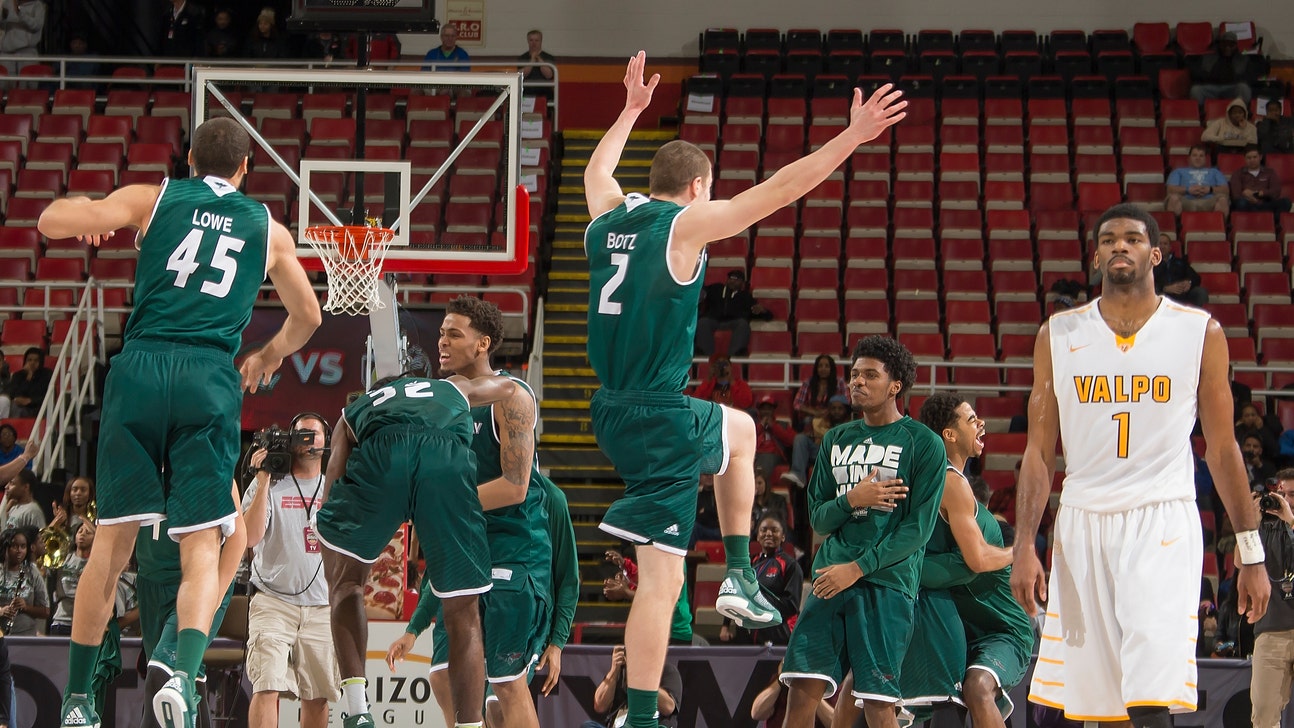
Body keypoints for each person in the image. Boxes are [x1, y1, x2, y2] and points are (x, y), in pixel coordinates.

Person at [584, 54, 904, 728]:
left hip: (610, 410)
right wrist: (853, 137)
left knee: (740, 431)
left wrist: (631, 111)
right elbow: (780, 190)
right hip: (658, 416)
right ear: (698, 186)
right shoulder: (684, 225)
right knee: (664, 579)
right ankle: (645, 711)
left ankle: (737, 576)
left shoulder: (605, 219)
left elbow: (598, 171)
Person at [42, 115, 322, 728]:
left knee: (111, 548)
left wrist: (95, 218)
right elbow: (308, 315)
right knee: (206, 544)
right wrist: (266, 357)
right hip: (208, 375)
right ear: (246, 168)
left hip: (140, 367)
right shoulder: (268, 229)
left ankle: (78, 700)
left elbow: (50, 221)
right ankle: (182, 676)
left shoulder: (152, 197)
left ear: (188, 159)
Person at [1010, 203, 1271, 728]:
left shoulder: (1199, 331)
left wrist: (1251, 552)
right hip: (1083, 521)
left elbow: (1222, 450)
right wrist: (1023, 547)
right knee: (1098, 706)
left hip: (1163, 520)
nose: (1119, 247)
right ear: (1096, 255)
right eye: (1108, 240)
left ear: (1155, 254)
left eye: (1132, 239)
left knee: (1150, 691)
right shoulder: (1057, 335)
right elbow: (1038, 453)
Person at [315, 372, 519, 728]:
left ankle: (357, 710)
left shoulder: (358, 406)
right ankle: (470, 725)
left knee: (346, 586)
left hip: (382, 455)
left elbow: (333, 475)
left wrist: (333, 533)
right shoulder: (453, 387)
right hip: (444, 458)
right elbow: (509, 388)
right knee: (463, 611)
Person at [389, 297, 548, 728]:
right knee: (449, 681)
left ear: (483, 345)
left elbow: (515, 488)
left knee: (507, 684)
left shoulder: (512, 396)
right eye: (441, 332)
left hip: (514, 555)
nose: (441, 342)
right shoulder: (443, 406)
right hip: (464, 555)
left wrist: (444, 504)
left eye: (453, 334)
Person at [780, 335, 946, 728]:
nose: (857, 382)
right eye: (854, 374)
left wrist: (857, 568)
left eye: (870, 375)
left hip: (885, 584)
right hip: (828, 579)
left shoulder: (923, 443)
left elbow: (917, 531)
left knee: (877, 703)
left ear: (896, 386)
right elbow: (818, 520)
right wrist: (853, 498)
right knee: (801, 693)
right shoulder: (836, 439)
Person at [915, 393, 1033, 728]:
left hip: (1003, 626)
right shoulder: (936, 479)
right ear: (949, 435)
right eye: (971, 419)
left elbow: (977, 559)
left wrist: (1019, 552)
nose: (981, 423)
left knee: (978, 689)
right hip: (961, 623)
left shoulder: (953, 484)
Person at [242, 414, 339, 728]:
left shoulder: (336, 488)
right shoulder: (270, 484)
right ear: (290, 439)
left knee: (318, 694)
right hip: (273, 601)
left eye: (315, 433)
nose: (309, 439)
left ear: (327, 440)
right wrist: (262, 479)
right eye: (301, 433)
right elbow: (250, 537)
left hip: (323, 604)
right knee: (266, 684)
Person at [136, 483, 248, 728]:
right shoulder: (143, 456)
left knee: (162, 673)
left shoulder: (205, 454)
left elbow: (239, 536)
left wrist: (214, 595)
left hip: (198, 580)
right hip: (150, 584)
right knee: (187, 679)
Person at [1249, 468, 1294, 727]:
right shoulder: (1262, 529)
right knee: (1264, 716)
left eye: (1292, 495)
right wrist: (1249, 526)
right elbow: (1239, 563)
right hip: (1271, 630)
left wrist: (1290, 521)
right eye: (1281, 494)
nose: (1285, 500)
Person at [720, 515, 802, 645]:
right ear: (758, 536)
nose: (768, 534)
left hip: (777, 633)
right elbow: (735, 591)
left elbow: (791, 605)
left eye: (774, 530)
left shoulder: (790, 565)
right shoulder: (750, 563)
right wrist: (725, 626)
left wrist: (758, 600)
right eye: (763, 530)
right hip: (747, 632)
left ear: (783, 536)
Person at [582, 645, 682, 728]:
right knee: (588, 726)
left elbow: (668, 707)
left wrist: (641, 676)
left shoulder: (667, 671)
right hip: (620, 724)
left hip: (649, 725)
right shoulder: (620, 672)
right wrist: (614, 671)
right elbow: (600, 706)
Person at [694, 270, 772, 357]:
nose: (733, 281)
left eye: (737, 279)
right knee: (703, 322)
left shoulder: (745, 296)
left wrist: (763, 311)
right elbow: (700, 291)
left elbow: (763, 314)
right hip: (713, 319)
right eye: (731, 278)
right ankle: (705, 357)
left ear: (742, 283)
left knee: (743, 324)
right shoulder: (716, 288)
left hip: (734, 321)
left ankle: (734, 357)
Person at [1188, 31, 1260, 105]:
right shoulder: (1208, 57)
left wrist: (1235, 78)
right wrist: (1209, 76)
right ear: (1220, 45)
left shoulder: (1243, 59)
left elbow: (1250, 77)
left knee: (1244, 88)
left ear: (1235, 45)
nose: (1227, 47)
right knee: (1195, 90)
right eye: (1224, 44)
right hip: (1211, 87)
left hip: (1232, 87)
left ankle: (1240, 111)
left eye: (1231, 45)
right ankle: (1201, 113)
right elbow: (1196, 74)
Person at [0, 526, 48, 636]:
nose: (19, 551)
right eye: (14, 546)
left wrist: (26, 607)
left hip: (26, 636)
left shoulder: (32, 572)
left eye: (23, 546)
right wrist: (1, 611)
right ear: (5, 547)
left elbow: (45, 611)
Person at [1165, 144, 1230, 215]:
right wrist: (1188, 189)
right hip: (1187, 201)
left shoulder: (1215, 172)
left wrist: (1210, 189)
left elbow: (1225, 190)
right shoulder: (1178, 171)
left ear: (1205, 159)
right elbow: (1170, 189)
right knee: (1173, 198)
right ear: (1189, 158)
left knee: (1223, 200)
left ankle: (1219, 225)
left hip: (1208, 201)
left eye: (1201, 156)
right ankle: (1176, 225)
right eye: (1194, 155)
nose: (1198, 158)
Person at [1230, 144, 1293, 214]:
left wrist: (1262, 193)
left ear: (1260, 157)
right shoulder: (1238, 173)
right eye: (1249, 158)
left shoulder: (1270, 172)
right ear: (1244, 158)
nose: (1252, 160)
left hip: (1265, 204)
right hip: (1247, 204)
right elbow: (1236, 195)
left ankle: (1272, 222)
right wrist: (1246, 195)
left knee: (1286, 202)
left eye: (1254, 157)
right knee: (1241, 203)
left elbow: (1276, 191)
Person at [793, 354, 849, 430]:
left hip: (834, 417)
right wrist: (814, 412)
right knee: (808, 421)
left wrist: (829, 411)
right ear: (816, 368)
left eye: (827, 366)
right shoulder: (808, 383)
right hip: (812, 417)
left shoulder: (840, 382)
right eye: (820, 366)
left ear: (831, 368)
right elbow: (797, 404)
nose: (823, 369)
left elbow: (847, 402)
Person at [1151, 233, 1208, 307]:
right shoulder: (1150, 264)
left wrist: (1189, 282)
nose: (1162, 247)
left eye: (1165, 244)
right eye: (1160, 244)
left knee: (1200, 292)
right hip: (1162, 293)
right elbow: (1146, 283)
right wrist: (1164, 288)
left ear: (1170, 247)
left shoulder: (1180, 262)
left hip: (1181, 293)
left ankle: (1199, 317)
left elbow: (1196, 277)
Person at [1, 347, 52, 418]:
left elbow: (49, 395)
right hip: (21, 408)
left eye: (36, 360)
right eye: (29, 360)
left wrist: (30, 401)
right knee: (14, 406)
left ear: (41, 362)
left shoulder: (47, 374)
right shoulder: (18, 375)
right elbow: (14, 395)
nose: (32, 363)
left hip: (39, 407)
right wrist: (28, 378)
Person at [752, 395, 795, 476]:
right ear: (759, 410)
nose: (766, 411)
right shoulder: (753, 425)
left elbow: (792, 441)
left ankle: (758, 484)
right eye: (763, 409)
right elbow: (747, 438)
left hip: (773, 455)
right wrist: (761, 426)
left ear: (773, 410)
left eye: (769, 408)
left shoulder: (783, 425)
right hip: (755, 455)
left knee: (766, 458)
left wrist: (774, 427)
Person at [0, 0, 47, 73]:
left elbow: (36, 26)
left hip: (27, 52)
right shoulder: (8, 3)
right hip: (7, 52)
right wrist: (3, 16)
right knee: (5, 83)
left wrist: (19, 13)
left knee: (26, 83)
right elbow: (3, 25)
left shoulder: (38, 5)